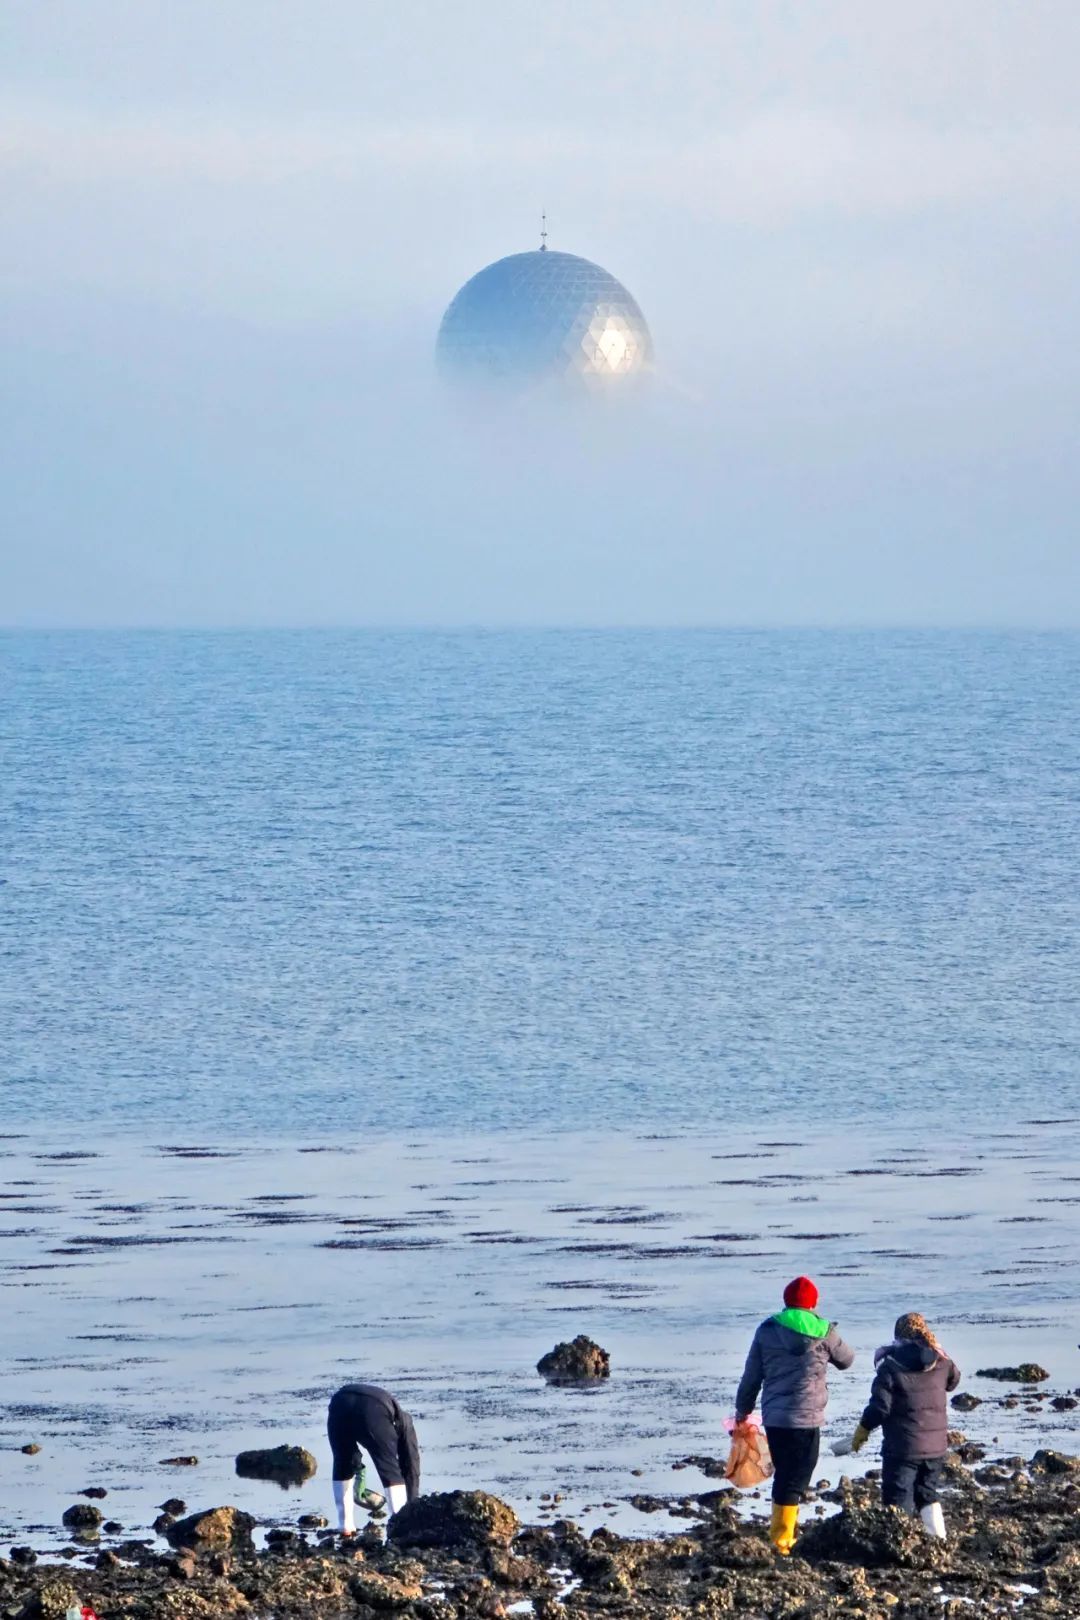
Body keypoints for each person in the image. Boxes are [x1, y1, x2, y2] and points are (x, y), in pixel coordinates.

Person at [735, 1275, 855, 1555]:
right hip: (807, 1417)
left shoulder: (767, 1329)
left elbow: (752, 1376)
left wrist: (743, 1411)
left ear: (786, 1301)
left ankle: (781, 1534)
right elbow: (847, 1360)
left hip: (776, 1417)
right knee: (796, 1476)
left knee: (787, 1474)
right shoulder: (825, 1331)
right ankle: (782, 1540)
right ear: (813, 1303)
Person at [849, 1311, 960, 1539]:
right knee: (927, 1493)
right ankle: (939, 1540)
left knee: (898, 1497)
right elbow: (954, 1381)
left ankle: (899, 1543)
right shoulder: (942, 1360)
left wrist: (863, 1430)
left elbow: (880, 1408)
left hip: (902, 1448)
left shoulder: (890, 1366)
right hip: (936, 1447)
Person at [327, 1382, 421, 1536]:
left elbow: (352, 1457)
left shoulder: (399, 1420)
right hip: (373, 1408)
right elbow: (411, 1467)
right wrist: (411, 1504)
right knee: (389, 1468)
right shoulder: (406, 1425)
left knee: (342, 1462)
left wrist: (355, 1464)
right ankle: (400, 1524)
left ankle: (345, 1526)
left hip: (340, 1402)